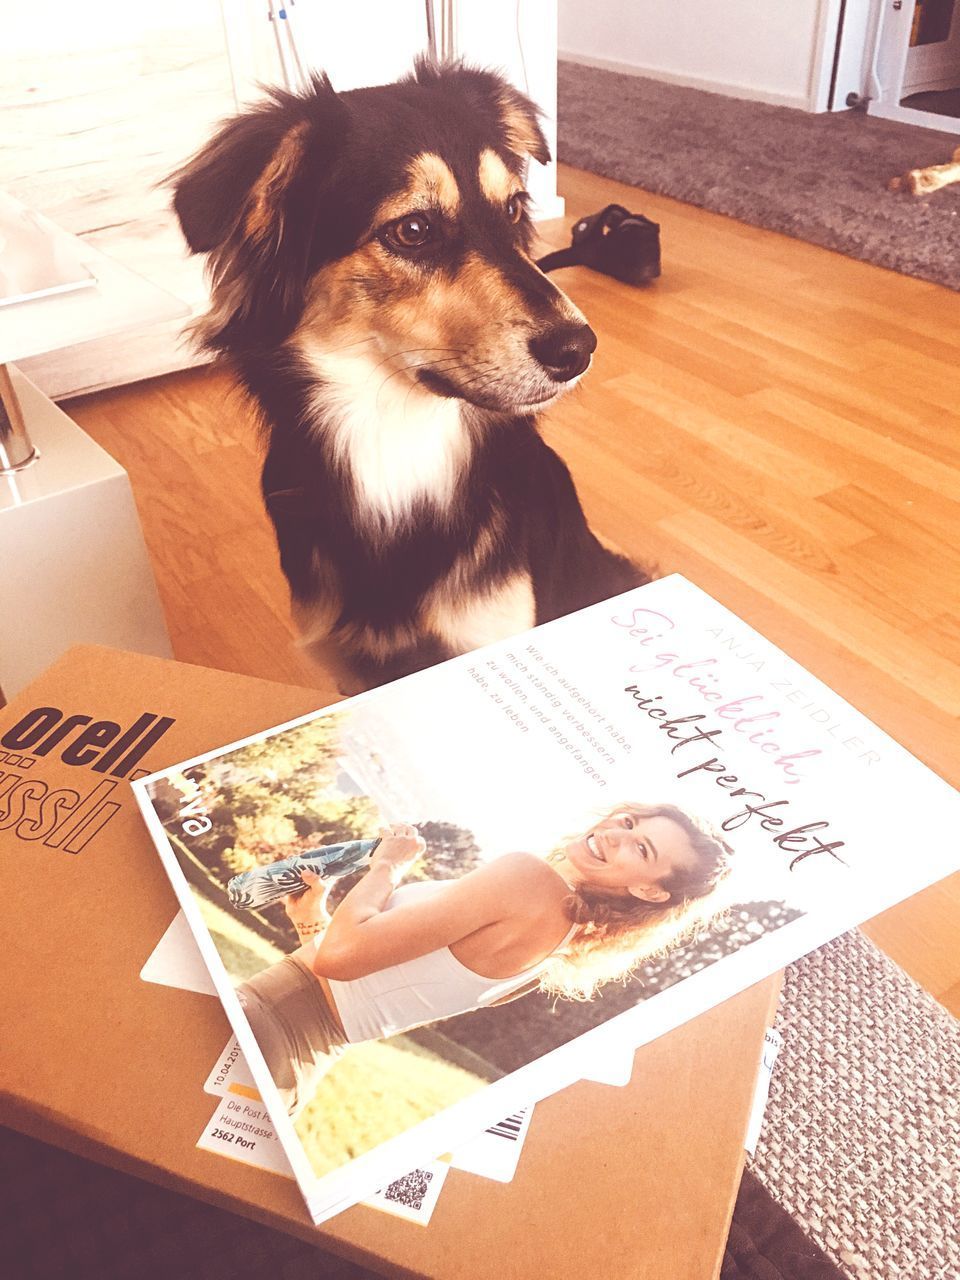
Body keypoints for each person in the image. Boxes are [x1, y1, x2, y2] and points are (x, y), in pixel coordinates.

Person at [236, 803, 732, 1116]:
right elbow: (371, 991)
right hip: (294, 1066)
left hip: (264, 1023)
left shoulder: (528, 878)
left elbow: (339, 962)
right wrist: (312, 921)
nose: (616, 834)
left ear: (648, 889)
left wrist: (388, 865)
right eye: (628, 821)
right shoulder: (556, 944)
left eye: (640, 848)